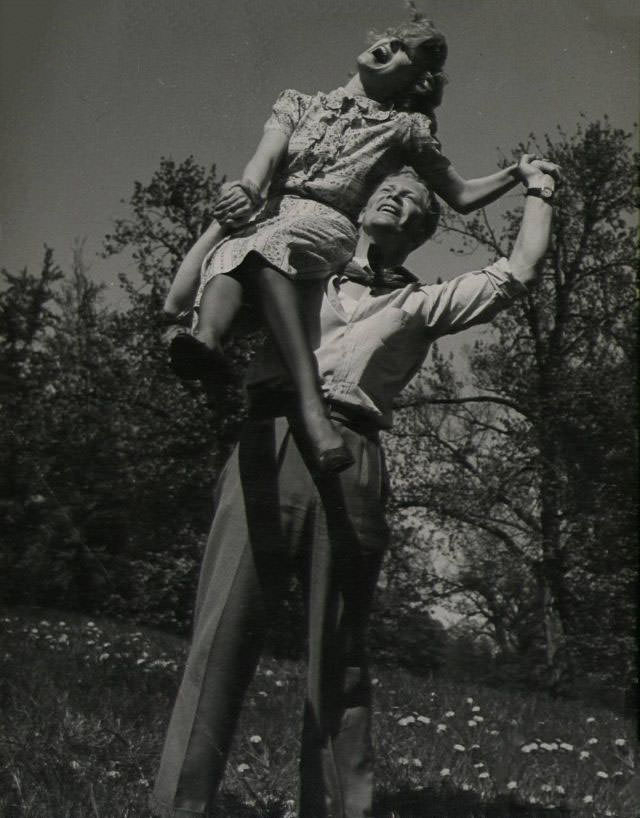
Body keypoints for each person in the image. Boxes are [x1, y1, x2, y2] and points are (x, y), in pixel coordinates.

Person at [150, 154, 559, 818]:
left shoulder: (421, 303)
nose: (400, 199)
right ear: (362, 204)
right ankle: (178, 808)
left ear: (424, 231)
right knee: (220, 631)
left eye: (416, 203)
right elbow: (187, 292)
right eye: (390, 189)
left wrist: (538, 186)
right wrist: (216, 225)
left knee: (338, 652)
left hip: (353, 456)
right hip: (268, 438)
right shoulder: (292, 263)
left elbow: (520, 269)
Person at [161, 15, 534, 473]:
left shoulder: (404, 127)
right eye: (393, 41)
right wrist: (248, 191)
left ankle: (308, 404)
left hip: (326, 222)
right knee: (238, 248)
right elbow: (266, 156)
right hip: (270, 214)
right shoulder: (296, 102)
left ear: (412, 81)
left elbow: (460, 195)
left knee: (264, 244)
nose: (391, 49)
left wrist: (516, 174)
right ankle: (207, 345)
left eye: (405, 55)